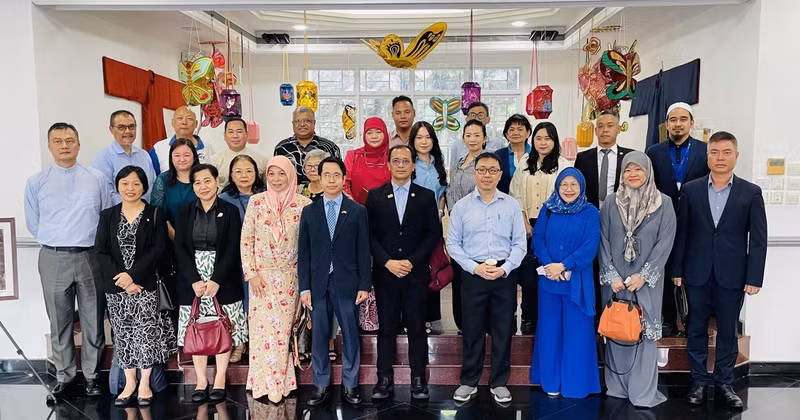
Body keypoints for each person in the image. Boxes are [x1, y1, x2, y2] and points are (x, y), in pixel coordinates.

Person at [672, 131, 767, 410]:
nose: (720, 158)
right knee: (696, 328)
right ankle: (699, 382)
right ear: (707, 156)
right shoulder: (691, 189)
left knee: (728, 330)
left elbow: (758, 238)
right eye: (715, 152)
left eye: (727, 152)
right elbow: (682, 234)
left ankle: (725, 383)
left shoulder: (750, 193)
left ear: (736, 157)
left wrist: (754, 277)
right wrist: (677, 270)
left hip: (733, 274)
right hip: (696, 271)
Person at [25, 122, 110, 402]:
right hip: (53, 256)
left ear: (78, 144)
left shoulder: (96, 178)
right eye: (58, 141)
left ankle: (92, 377)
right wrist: (58, 241)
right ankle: (65, 378)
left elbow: (106, 215)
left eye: (70, 140)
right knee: (59, 321)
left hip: (90, 256)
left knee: (93, 319)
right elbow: (34, 223)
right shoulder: (37, 181)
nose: (64, 145)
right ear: (49, 145)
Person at [447, 152, 527, 405]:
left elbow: (520, 244)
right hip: (474, 274)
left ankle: (499, 382)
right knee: (472, 329)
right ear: (474, 173)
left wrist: (505, 268)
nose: (487, 175)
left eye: (493, 170)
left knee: (503, 329)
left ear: (500, 175)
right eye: (482, 170)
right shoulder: (462, 207)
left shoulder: (511, 205)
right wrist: (474, 268)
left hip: (504, 274)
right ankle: (469, 380)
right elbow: (454, 244)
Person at [93, 166, 177, 407]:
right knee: (124, 334)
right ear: (118, 186)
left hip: (145, 285)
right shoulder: (108, 215)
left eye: (136, 184)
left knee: (145, 334)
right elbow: (101, 251)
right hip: (117, 288)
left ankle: (144, 382)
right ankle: (129, 382)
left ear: (144, 187)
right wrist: (121, 280)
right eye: (125, 183)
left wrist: (133, 276)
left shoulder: (155, 214)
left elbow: (159, 249)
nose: (130, 188)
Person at [599, 152, 676, 408]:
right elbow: (604, 240)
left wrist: (644, 276)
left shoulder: (663, 203)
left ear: (648, 172)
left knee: (643, 331)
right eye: (627, 170)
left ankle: (642, 392)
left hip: (647, 282)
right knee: (618, 328)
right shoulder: (611, 202)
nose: (632, 174)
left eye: (638, 170)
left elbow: (665, 244)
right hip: (616, 281)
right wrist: (611, 275)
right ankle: (618, 387)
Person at [367, 145, 441, 401]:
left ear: (413, 166)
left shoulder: (425, 196)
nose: (400, 165)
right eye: (395, 160)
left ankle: (418, 379)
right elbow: (370, 236)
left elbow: (433, 234)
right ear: (388, 165)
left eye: (405, 161)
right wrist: (387, 261)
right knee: (386, 327)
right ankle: (383, 379)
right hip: (385, 274)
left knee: (417, 326)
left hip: (415, 274)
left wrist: (411, 261)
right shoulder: (375, 196)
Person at [298, 156, 371, 406]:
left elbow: (364, 250)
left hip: (347, 281)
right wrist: (304, 287)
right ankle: (321, 383)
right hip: (318, 283)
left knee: (350, 332)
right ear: (319, 177)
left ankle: (351, 385)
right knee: (319, 333)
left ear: (343, 178)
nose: (331, 180)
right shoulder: (309, 211)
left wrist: (365, 284)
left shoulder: (357, 211)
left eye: (336, 175)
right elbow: (304, 252)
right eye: (326, 175)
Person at [174, 164, 248, 404]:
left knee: (222, 325)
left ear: (217, 182)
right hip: (192, 278)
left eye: (207, 181)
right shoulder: (185, 212)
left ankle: (220, 378)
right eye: (197, 182)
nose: (203, 186)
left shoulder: (230, 210)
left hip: (222, 277)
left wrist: (216, 280)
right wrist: (194, 280)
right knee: (197, 326)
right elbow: (181, 249)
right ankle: (201, 380)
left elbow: (232, 248)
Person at [241, 156, 312, 402]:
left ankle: (281, 382)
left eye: (282, 174)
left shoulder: (303, 204)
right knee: (261, 333)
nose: (277, 179)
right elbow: (246, 239)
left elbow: (308, 245)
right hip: (261, 279)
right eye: (272, 174)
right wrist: (251, 274)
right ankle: (261, 381)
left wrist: (305, 280)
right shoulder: (256, 202)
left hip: (290, 279)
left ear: (291, 175)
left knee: (283, 332)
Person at [529, 167, 601, 399]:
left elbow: (591, 246)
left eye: (574, 184)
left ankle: (576, 385)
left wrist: (565, 265)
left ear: (581, 186)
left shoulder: (591, 212)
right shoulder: (548, 209)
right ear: (557, 187)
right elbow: (538, 239)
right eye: (564, 185)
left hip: (577, 282)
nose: (568, 189)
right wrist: (550, 264)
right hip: (549, 281)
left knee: (577, 333)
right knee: (550, 332)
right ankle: (550, 381)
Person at [646, 102, 710, 337]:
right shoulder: (654, 152)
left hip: (695, 221)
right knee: (663, 269)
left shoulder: (705, 150)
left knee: (693, 271)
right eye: (673, 119)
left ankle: (692, 319)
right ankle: (667, 319)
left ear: (691, 123)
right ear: (666, 124)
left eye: (683, 119)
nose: (678, 124)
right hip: (663, 220)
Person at [509, 121, 572, 335]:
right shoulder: (525, 163)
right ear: (532, 140)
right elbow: (515, 193)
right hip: (527, 225)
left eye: (547, 138)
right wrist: (524, 221)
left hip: (554, 225)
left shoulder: (564, 165)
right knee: (528, 275)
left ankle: (548, 318)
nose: (543, 142)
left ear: (554, 141)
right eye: (538, 138)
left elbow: (568, 196)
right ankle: (528, 317)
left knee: (549, 272)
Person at [219, 154, 266, 363]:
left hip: (263, 260)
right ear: (230, 174)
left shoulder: (266, 196)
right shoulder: (224, 199)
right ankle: (239, 342)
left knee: (258, 301)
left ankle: (258, 342)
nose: (244, 175)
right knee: (237, 302)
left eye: (248, 170)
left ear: (256, 173)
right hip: (234, 260)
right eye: (238, 171)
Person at [445, 119, 486, 333]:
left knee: (475, 274)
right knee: (459, 274)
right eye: (468, 135)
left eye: (477, 135)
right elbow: (450, 191)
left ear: (484, 138)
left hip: (479, 228)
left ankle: (476, 322)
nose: (472, 139)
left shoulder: (486, 163)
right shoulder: (460, 162)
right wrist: (455, 215)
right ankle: (461, 322)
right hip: (457, 226)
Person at [409, 121, 448, 334]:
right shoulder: (409, 163)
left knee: (435, 269)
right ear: (413, 141)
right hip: (412, 225)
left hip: (434, 224)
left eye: (427, 137)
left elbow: (442, 193)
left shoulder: (437, 164)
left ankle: (434, 317)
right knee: (416, 273)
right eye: (419, 138)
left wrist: (440, 213)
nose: (424, 142)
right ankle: (417, 317)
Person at [92, 110, 156, 204]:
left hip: (146, 214)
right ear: (111, 129)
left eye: (131, 126)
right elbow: (106, 193)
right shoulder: (103, 157)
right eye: (121, 127)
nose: (127, 131)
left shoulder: (144, 155)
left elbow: (152, 187)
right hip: (119, 215)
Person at [573, 110, 634, 208]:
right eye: (600, 126)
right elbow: (577, 187)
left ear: (618, 129)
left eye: (610, 126)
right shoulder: (583, 158)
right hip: (590, 213)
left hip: (621, 214)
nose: (605, 130)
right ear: (596, 131)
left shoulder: (630, 156)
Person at [274, 106, 341, 187]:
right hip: (289, 195)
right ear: (293, 124)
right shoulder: (281, 148)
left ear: (314, 123)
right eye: (298, 121)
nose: (302, 124)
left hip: (322, 194)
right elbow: (275, 174)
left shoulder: (329, 147)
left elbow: (338, 174)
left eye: (307, 121)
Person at [150, 138, 199, 240]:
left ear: (194, 157)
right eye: (177, 155)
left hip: (201, 238)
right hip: (169, 237)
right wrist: (175, 236)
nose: (182, 159)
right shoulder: (162, 180)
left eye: (186, 155)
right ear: (171, 158)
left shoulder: (202, 178)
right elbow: (157, 213)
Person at [149, 106, 214, 174]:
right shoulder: (159, 148)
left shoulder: (208, 148)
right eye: (180, 118)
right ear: (172, 123)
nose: (184, 122)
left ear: (196, 124)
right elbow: (152, 179)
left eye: (189, 119)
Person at [208, 118, 269, 188]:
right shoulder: (214, 161)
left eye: (239, 132)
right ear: (224, 136)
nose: (235, 136)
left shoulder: (262, 160)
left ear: (247, 134)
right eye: (231, 132)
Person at [344, 117, 391, 205]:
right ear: (364, 135)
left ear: (385, 133)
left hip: (388, 210)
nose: (374, 136)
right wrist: (354, 206)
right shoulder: (353, 155)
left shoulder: (393, 156)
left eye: (378, 132)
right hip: (357, 210)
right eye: (369, 133)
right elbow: (345, 183)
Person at [494, 114, 531, 194]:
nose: (515, 133)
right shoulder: (498, 155)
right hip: (504, 202)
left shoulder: (535, 154)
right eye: (511, 130)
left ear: (527, 133)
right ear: (507, 134)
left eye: (520, 129)